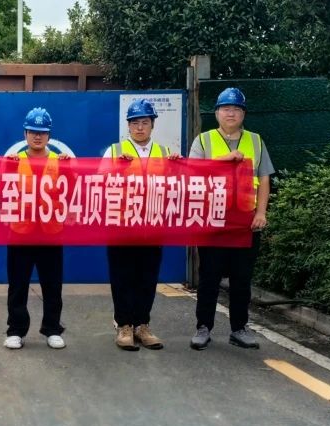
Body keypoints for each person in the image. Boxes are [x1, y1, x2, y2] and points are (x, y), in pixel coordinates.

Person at [189, 87, 274, 350]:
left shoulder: (256, 141)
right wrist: (226, 158)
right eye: (226, 108)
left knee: (241, 279)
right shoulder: (203, 141)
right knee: (209, 277)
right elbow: (192, 172)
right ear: (217, 113)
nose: (231, 113)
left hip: (245, 224)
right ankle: (203, 327)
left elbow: (264, 179)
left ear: (243, 114)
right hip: (213, 222)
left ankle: (239, 328)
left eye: (236, 109)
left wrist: (261, 212)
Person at [102, 99, 180, 351]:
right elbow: (98, 184)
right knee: (122, 276)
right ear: (128, 125)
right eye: (135, 122)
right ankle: (124, 325)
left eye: (144, 122)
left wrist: (177, 166)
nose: (139, 127)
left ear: (152, 125)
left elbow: (176, 187)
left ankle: (142, 325)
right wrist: (116, 168)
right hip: (121, 225)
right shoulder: (115, 151)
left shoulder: (164, 153)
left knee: (147, 277)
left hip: (152, 225)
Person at [4, 108, 68, 350]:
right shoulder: (13, 161)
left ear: (49, 135)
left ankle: (52, 329)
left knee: (53, 285)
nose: (37, 136)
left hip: (51, 233)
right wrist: (5, 168)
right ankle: (15, 330)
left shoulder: (61, 162)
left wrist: (70, 169)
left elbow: (73, 192)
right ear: (25, 133)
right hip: (20, 232)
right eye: (33, 131)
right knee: (17, 285)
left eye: (42, 132)